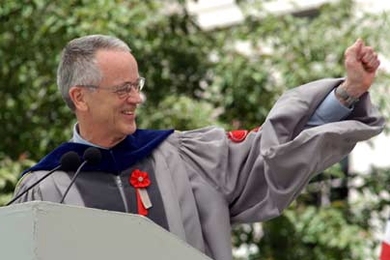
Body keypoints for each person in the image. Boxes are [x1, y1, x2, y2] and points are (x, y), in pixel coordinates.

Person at [11, 34, 384, 260]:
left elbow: (271, 151)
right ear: (81, 97)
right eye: (123, 89)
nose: (136, 99)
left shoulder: (184, 157)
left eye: (136, 85)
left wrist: (348, 93)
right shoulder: (45, 190)